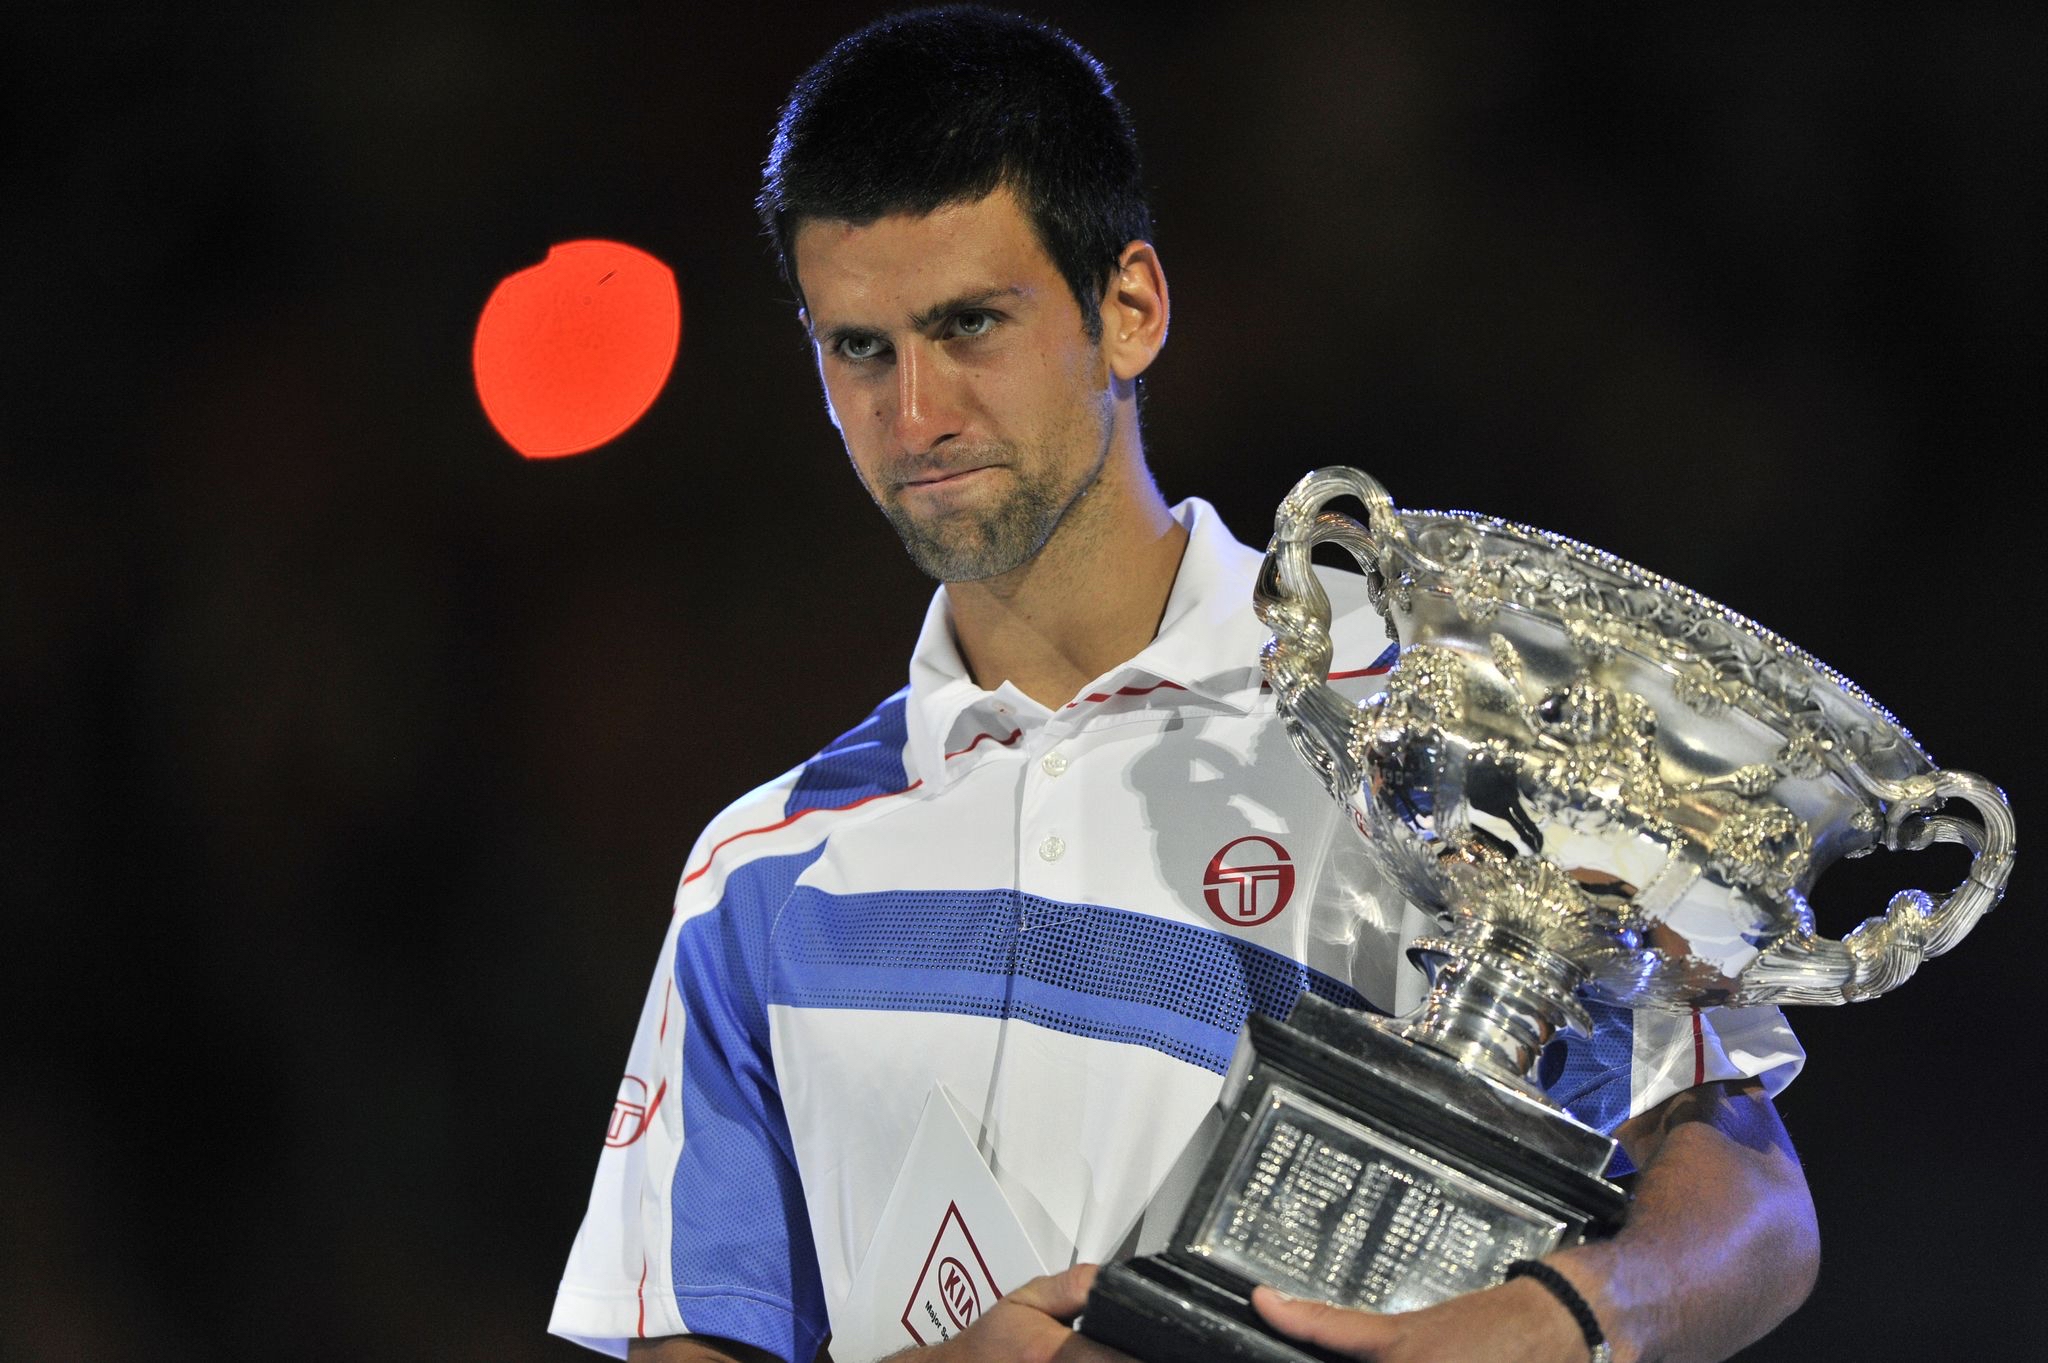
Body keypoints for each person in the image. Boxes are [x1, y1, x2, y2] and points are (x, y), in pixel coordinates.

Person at [550, 9, 1820, 1363]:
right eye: (859, 348)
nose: (913, 416)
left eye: (970, 324)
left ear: (1131, 309)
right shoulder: (757, 873)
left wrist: (1563, 1321)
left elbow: (1752, 1197)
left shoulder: (1424, 748)